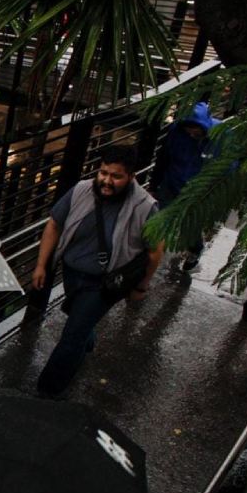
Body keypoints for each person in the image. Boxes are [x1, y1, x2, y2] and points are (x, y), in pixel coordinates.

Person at [31, 145, 164, 397]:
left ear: (131, 177)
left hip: (105, 283)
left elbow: (155, 250)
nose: (106, 180)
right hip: (71, 273)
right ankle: (87, 335)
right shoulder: (82, 191)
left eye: (116, 176)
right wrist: (41, 265)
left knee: (72, 336)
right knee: (79, 322)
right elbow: (54, 224)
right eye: (103, 173)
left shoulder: (144, 207)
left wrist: (141, 286)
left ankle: (48, 391)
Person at [150, 101, 222, 272]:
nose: (191, 133)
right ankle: (148, 256)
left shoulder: (219, 136)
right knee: (157, 220)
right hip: (171, 184)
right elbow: (163, 158)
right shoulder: (176, 132)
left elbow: (226, 165)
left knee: (189, 227)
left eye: (195, 129)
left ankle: (194, 250)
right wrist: (154, 185)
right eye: (188, 129)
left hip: (197, 192)